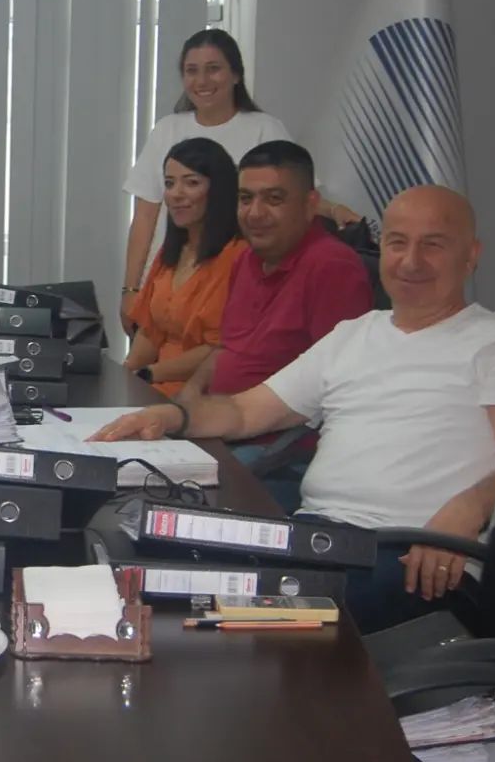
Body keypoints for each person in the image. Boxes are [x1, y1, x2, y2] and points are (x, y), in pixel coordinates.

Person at [93, 185, 495, 633]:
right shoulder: (353, 335)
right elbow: (247, 412)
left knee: (224, 617)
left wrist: (468, 509)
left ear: (471, 255)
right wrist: (174, 416)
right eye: (397, 242)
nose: (411, 261)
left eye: (433, 245)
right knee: (145, 561)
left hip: (415, 557)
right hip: (317, 540)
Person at [119, 29, 357, 332]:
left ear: (235, 75)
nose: (202, 81)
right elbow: (145, 216)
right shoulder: (167, 130)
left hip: (231, 285)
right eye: (192, 71)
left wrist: (335, 211)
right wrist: (131, 289)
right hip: (167, 284)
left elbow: (295, 197)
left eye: (213, 69)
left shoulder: (264, 129)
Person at [181, 141, 373, 508]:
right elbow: (226, 348)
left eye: (273, 199)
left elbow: (336, 392)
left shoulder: (333, 268)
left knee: (179, 502)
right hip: (223, 431)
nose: (255, 213)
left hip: (281, 452)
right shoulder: (245, 260)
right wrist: (188, 399)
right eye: (245, 198)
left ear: (310, 205)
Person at [122, 137, 245, 397]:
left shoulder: (239, 256)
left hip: (203, 394)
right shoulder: (171, 252)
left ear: (219, 189)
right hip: (152, 386)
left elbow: (220, 349)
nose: (176, 194)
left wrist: (148, 374)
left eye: (191, 183)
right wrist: (123, 376)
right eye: (169, 183)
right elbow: (150, 331)